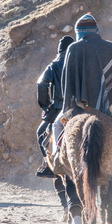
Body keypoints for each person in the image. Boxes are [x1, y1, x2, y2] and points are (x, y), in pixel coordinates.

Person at [57, 13, 112, 175]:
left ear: (78, 32)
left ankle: (56, 162)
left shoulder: (73, 49)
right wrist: (109, 92)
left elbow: (67, 81)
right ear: (95, 30)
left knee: (58, 125)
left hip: (79, 107)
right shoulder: (111, 47)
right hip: (109, 104)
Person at [35, 35, 74, 178]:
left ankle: (48, 165)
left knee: (40, 133)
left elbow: (41, 84)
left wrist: (45, 106)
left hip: (59, 108)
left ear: (59, 50)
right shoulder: (77, 62)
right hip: (79, 105)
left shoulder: (54, 64)